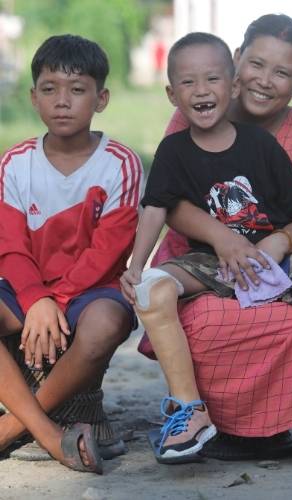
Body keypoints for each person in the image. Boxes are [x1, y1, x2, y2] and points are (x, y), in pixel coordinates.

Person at [121, 31, 292, 469]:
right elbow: (156, 208)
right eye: (188, 83)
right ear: (172, 93)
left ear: (232, 85)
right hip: (208, 259)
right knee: (153, 287)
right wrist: (136, 267)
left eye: (212, 80)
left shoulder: (261, 144)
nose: (202, 91)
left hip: (277, 257)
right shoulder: (173, 147)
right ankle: (190, 410)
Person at [0, 34, 142, 473]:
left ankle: (9, 428)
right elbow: (9, 246)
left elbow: (107, 254)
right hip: (26, 291)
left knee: (104, 325)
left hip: (89, 293)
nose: (62, 102)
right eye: (49, 89)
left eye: (77, 90)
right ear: (33, 97)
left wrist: (55, 303)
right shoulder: (15, 162)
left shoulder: (120, 163)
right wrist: (36, 300)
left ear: (101, 99)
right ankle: (46, 432)